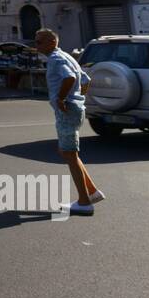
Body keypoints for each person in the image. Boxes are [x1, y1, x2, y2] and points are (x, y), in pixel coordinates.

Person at [34, 28, 103, 215]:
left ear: (51, 42)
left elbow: (70, 78)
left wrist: (63, 99)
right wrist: (78, 99)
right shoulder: (66, 56)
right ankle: (91, 192)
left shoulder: (56, 60)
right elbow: (86, 80)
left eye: (39, 42)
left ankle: (84, 202)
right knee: (68, 152)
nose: (36, 45)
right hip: (74, 109)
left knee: (69, 154)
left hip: (67, 111)